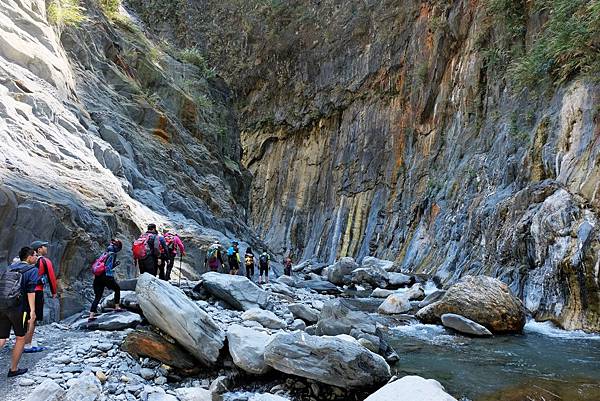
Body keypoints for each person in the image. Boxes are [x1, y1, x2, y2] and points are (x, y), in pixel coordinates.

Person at [0, 247, 39, 377]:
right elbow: (31, 291)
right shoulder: (33, 270)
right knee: (20, 337)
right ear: (29, 257)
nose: (36, 258)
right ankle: (14, 369)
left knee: (1, 338)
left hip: (2, 305)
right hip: (18, 309)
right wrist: (32, 311)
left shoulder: (10, 267)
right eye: (35, 255)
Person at [24, 241, 58, 353]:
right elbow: (51, 277)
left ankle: (24, 341)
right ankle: (27, 345)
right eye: (44, 246)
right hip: (37, 292)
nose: (46, 248)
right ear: (39, 249)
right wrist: (54, 291)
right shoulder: (44, 260)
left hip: (24, 292)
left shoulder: (27, 260)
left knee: (27, 317)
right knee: (33, 319)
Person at [89, 240, 123, 321]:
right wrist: (115, 265)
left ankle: (91, 316)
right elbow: (108, 267)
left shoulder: (104, 253)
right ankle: (117, 307)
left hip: (97, 277)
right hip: (106, 276)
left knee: (97, 297)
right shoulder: (112, 254)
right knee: (117, 289)